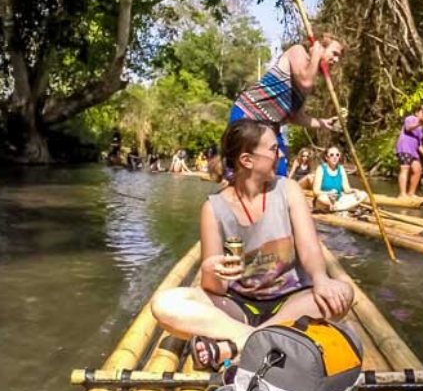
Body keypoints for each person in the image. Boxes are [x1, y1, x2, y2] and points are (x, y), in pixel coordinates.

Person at [150, 119, 354, 369]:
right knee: (164, 304)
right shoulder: (213, 208)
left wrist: (321, 278)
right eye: (273, 149)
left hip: (292, 301)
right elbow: (213, 287)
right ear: (247, 160)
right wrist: (210, 269)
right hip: (238, 305)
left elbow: (310, 248)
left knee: (344, 293)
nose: (280, 155)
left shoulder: (288, 190)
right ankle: (259, 338)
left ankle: (237, 344)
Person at [230, 34, 345, 177]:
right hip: (247, 116)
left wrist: (322, 123)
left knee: (279, 174)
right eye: (334, 53)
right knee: (239, 174)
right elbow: (305, 81)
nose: (336, 60)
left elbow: (295, 117)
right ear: (319, 46)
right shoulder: (298, 51)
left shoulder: (309, 78)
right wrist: (316, 54)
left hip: (271, 127)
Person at [312, 146, 369, 212]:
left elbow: (347, 189)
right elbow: (315, 191)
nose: (335, 157)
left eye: (337, 155)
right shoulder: (321, 169)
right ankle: (340, 207)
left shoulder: (341, 169)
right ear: (326, 157)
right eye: (331, 155)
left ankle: (336, 208)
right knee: (322, 198)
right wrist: (328, 193)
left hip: (338, 200)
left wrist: (355, 190)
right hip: (325, 199)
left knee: (363, 194)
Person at [395, 106, 423, 198]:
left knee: (418, 169)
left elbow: (419, 145)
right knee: (405, 168)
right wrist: (419, 123)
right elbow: (408, 128)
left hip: (413, 151)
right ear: (417, 113)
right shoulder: (411, 119)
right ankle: (402, 194)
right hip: (404, 148)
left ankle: (411, 193)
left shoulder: (421, 130)